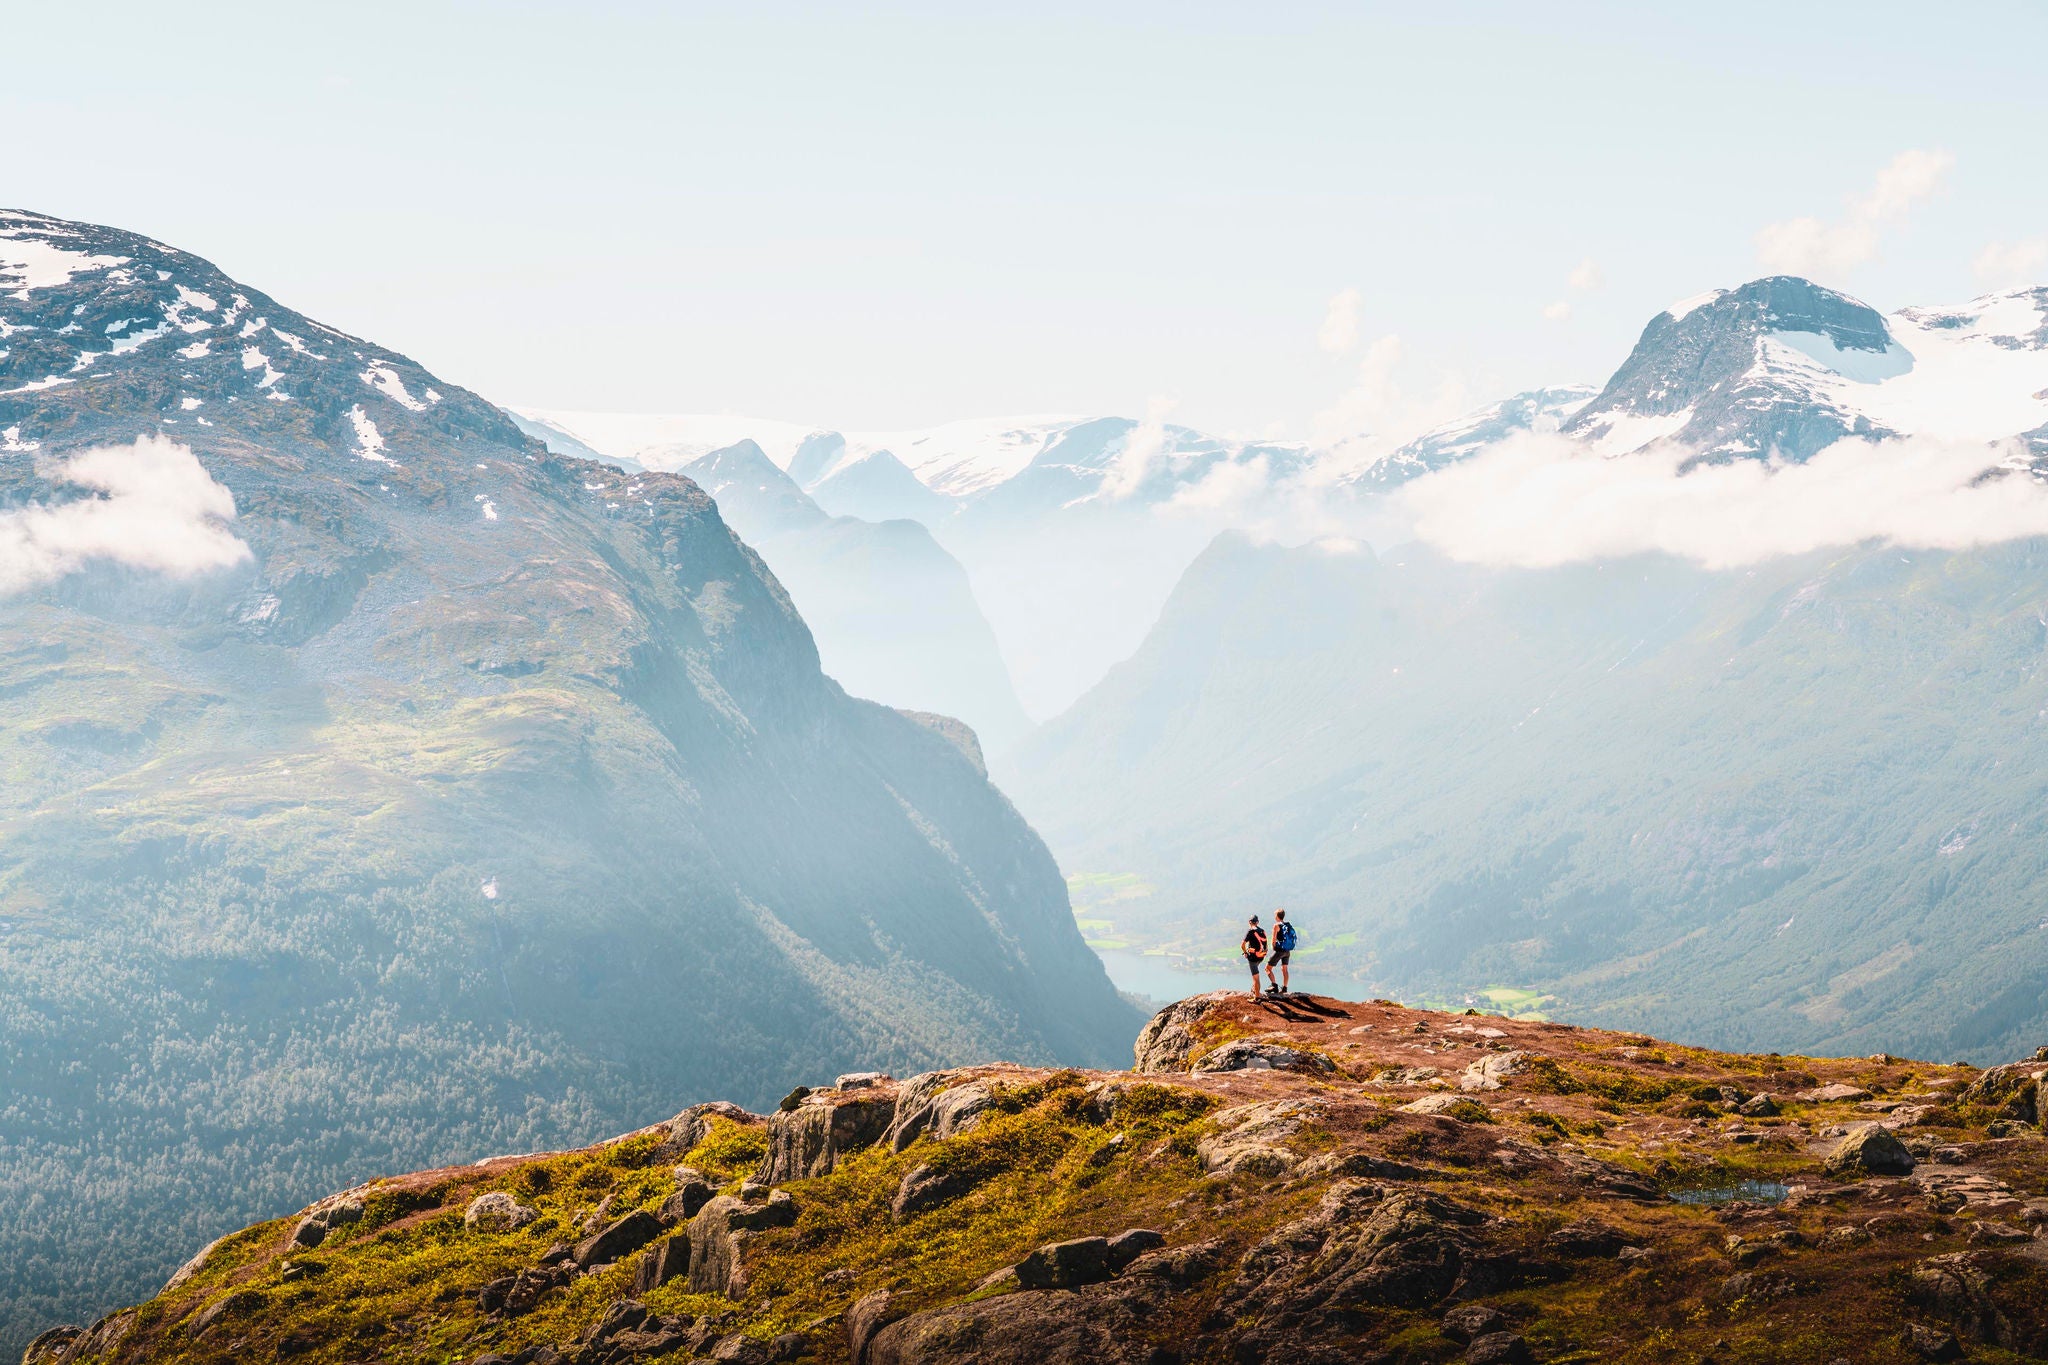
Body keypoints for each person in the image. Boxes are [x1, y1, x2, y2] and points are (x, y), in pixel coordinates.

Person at [1267, 908, 1297, 996]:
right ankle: (1284, 988)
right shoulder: (1288, 925)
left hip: (1279, 951)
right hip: (1287, 951)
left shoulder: (1276, 925)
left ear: (1277, 916)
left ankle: (1274, 986)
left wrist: (1273, 948)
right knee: (1284, 969)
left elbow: (1273, 940)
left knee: (1267, 968)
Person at [1240, 915, 1268, 999]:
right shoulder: (1262, 931)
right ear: (1257, 922)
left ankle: (1257, 997)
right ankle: (1254, 990)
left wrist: (1245, 952)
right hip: (1261, 956)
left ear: (1249, 922)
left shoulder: (1250, 932)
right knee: (1256, 975)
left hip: (1253, 958)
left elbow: (1242, 945)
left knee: (1256, 978)